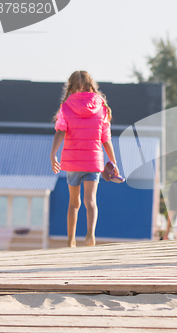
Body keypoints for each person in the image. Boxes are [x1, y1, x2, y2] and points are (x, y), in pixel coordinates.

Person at [50, 71, 119, 247]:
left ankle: (71, 240)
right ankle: (90, 235)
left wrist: (53, 154)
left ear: (71, 87)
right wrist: (114, 162)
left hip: (73, 161)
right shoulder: (101, 107)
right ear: (91, 85)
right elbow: (106, 139)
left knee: (74, 203)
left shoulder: (65, 107)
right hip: (93, 161)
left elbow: (60, 131)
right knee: (91, 201)